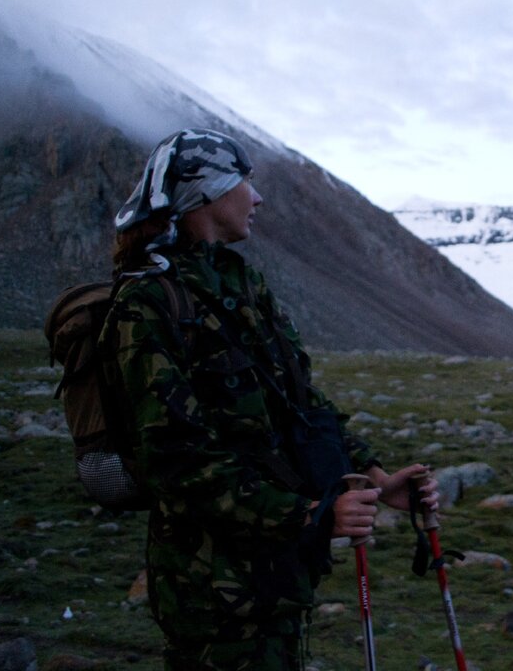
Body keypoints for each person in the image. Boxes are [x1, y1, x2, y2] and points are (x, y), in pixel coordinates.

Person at [105, 128, 438, 670]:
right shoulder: (147, 304)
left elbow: (302, 407)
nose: (257, 198)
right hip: (214, 592)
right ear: (207, 193)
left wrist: (378, 479)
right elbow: (178, 462)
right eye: (244, 183)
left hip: (277, 575)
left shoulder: (242, 284)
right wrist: (309, 517)